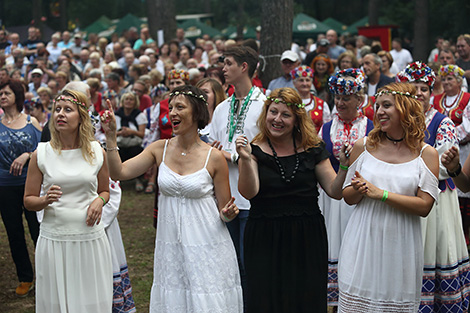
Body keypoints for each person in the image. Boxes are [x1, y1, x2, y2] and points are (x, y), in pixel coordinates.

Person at [102, 85, 243, 312]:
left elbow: (224, 211)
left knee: (206, 299)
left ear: (196, 112)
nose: (172, 113)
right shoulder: (159, 148)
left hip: (206, 244)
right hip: (171, 245)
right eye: (170, 108)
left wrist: (228, 214)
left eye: (180, 107)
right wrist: (110, 136)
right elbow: (120, 172)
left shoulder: (214, 157)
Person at [235, 87, 352, 312]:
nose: (277, 119)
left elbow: (335, 191)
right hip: (264, 234)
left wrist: (344, 167)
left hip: (306, 235)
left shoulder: (314, 149)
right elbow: (248, 192)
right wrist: (246, 159)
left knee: (305, 299)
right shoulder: (252, 149)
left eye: (285, 115)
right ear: (265, 114)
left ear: (297, 119)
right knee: (266, 298)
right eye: (273, 112)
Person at [338, 82, 439, 312]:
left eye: (386, 106)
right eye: (377, 106)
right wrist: (359, 189)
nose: (379, 111)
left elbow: (424, 206)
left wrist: (381, 194)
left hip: (400, 241)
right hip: (363, 237)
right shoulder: (363, 146)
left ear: (405, 109)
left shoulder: (426, 154)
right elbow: (348, 196)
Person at [23, 89, 113, 312]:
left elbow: (105, 190)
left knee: (90, 300)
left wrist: (99, 201)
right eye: (57, 110)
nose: (60, 114)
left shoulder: (96, 151)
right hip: (55, 240)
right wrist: (44, 200)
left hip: (89, 238)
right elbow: (28, 200)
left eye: (68, 110)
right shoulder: (41, 153)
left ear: (81, 116)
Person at [396, 61, 470, 312]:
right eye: (413, 88)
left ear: (431, 93)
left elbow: (443, 165)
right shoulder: (397, 123)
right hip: (403, 197)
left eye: (424, 89)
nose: (418, 93)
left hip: (435, 200)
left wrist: (401, 168)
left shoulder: (443, 122)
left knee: (434, 249)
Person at [208, 45, 266, 305]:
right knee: (227, 262)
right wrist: (214, 152)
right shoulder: (221, 108)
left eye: (228, 63)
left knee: (250, 262)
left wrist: (232, 155)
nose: (223, 68)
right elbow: (212, 146)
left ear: (244, 67)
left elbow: (266, 150)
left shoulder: (264, 105)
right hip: (224, 197)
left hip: (253, 198)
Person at [319, 69, 374, 308]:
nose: (340, 102)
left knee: (360, 243)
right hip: (332, 197)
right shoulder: (326, 129)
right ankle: (334, 301)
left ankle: (359, 296)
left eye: (346, 98)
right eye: (337, 98)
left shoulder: (371, 128)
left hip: (362, 194)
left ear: (359, 100)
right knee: (334, 241)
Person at [0, 80, 42, 297]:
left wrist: (27, 155)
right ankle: (25, 277)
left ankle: (46, 275)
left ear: (17, 95)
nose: (2, 96)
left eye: (6, 93)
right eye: (0, 93)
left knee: (38, 231)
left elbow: (45, 149)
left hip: (30, 184)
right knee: (14, 233)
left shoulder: (31, 122)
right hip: (5, 186)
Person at [115, 92, 147, 192]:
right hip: (120, 142)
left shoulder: (139, 115)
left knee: (135, 152)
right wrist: (121, 133)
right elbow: (112, 132)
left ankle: (138, 179)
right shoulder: (116, 114)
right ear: (122, 101)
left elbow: (142, 134)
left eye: (131, 99)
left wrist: (131, 132)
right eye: (126, 99)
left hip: (134, 142)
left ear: (135, 102)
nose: (128, 101)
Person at [291, 65, 331, 131]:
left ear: (311, 82)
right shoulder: (290, 102)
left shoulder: (322, 104)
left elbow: (327, 129)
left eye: (307, 80)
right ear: (294, 83)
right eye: (301, 80)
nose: (305, 83)